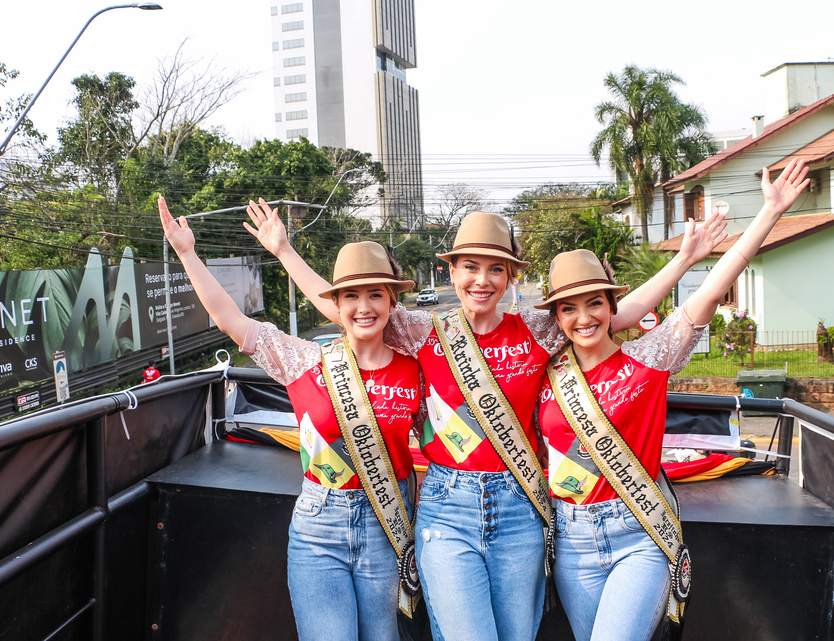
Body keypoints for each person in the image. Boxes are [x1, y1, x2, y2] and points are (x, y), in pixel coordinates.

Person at [244, 202, 726, 641]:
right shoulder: (423, 330)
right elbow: (348, 306)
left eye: (496, 269)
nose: (482, 280)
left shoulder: (537, 329)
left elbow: (616, 312)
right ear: (450, 269)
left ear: (511, 277)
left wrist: (683, 259)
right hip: (445, 508)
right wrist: (284, 251)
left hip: (519, 507)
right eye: (470, 266)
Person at [536, 159, 811, 641]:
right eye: (569, 308)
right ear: (556, 317)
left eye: (594, 303)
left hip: (638, 533)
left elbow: (710, 290)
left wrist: (768, 213)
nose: (584, 318)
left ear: (611, 306)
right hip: (571, 538)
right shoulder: (546, 372)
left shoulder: (649, 358)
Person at [158, 196, 422, 641]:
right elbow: (229, 320)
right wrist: (187, 252)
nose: (363, 307)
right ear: (335, 304)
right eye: (350, 296)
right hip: (319, 528)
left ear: (393, 302)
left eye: (376, 294)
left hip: (388, 525)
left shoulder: (416, 368)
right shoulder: (304, 360)